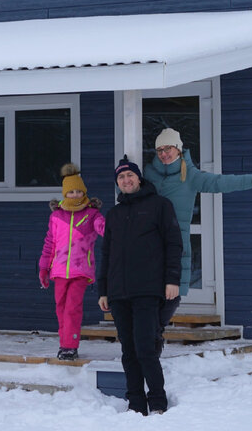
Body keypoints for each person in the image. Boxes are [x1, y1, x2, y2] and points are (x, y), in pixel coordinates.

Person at [143, 128, 252, 334]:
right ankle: (149, 338)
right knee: (148, 295)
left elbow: (219, 182)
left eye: (168, 148)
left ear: (178, 149)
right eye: (160, 149)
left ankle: (154, 334)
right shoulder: (148, 173)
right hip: (148, 244)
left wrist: (251, 180)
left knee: (172, 298)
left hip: (176, 244)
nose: (164, 153)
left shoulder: (190, 175)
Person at [98, 156, 182, 416]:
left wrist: (172, 280)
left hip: (148, 289)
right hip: (119, 292)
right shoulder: (114, 214)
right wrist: (103, 290)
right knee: (129, 350)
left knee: (146, 347)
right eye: (121, 177)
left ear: (138, 178)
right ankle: (135, 404)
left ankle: (157, 402)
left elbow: (174, 244)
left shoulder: (160, 206)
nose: (126, 180)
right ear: (118, 183)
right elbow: (107, 254)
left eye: (129, 175)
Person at [38, 163, 105, 361]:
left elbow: (103, 228)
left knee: (72, 307)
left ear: (84, 192)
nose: (75, 195)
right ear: (64, 194)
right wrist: (43, 268)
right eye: (71, 192)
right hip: (58, 271)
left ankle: (70, 345)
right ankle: (64, 342)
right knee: (60, 307)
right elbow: (49, 243)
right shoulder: (56, 216)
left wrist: (111, 227)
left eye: (78, 191)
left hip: (80, 271)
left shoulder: (92, 214)